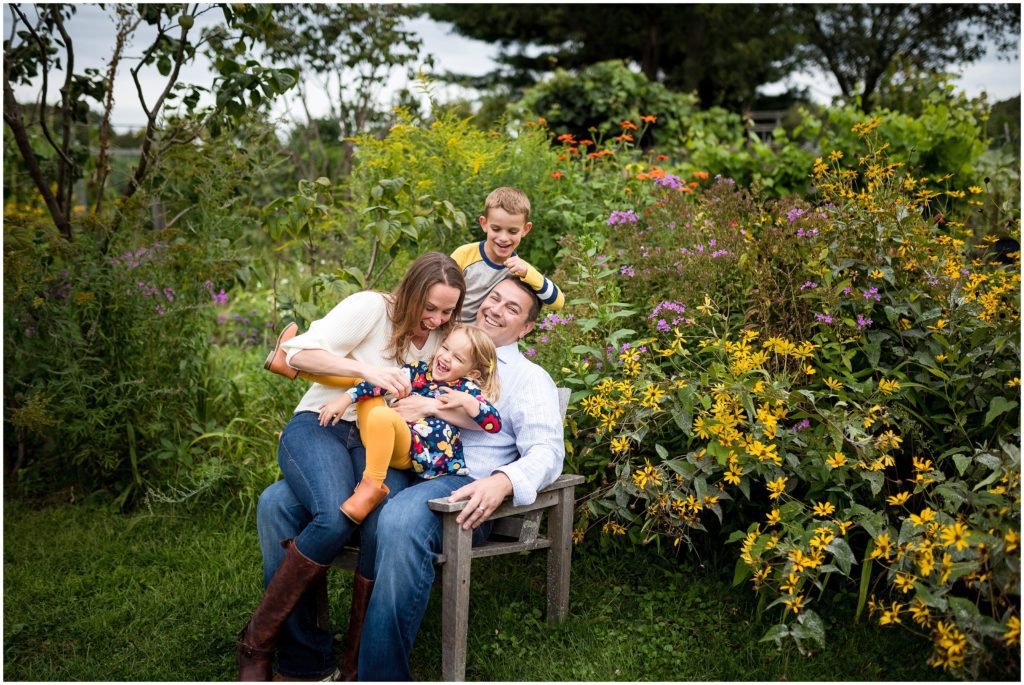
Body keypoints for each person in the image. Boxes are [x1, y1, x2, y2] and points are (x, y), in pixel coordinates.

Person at [237, 252, 466, 682]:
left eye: (447, 311)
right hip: (321, 426)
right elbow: (298, 352)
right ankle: (270, 644)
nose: (436, 320)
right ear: (409, 293)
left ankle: (355, 664)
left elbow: (463, 386)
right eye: (429, 308)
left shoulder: (443, 341)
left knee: (381, 522)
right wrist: (368, 372)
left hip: (378, 441)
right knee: (333, 517)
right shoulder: (371, 308)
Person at [357, 276, 565, 680]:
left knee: (398, 520)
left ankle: (379, 676)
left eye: (512, 308)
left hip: (463, 486)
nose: (496, 309)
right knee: (280, 502)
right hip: (407, 465)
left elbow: (547, 452)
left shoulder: (527, 378)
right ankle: (307, 657)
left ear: (526, 328)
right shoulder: (447, 349)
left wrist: (503, 480)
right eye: (494, 298)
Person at [317, 324, 503, 523]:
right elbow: (380, 384)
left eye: (458, 358)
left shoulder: (465, 389)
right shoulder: (417, 371)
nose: (446, 357)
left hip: (411, 450)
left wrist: (468, 401)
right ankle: (297, 367)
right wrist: (346, 399)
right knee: (367, 381)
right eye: (446, 348)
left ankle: (371, 486)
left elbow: (493, 424)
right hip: (381, 437)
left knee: (382, 414)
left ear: (473, 373)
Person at [450, 186, 565, 324]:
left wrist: (529, 273)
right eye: (496, 229)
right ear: (484, 224)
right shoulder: (465, 255)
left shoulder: (520, 270)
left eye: (513, 231)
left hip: (484, 337)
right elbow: (441, 290)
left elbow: (558, 303)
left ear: (525, 229)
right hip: (448, 325)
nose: (503, 238)